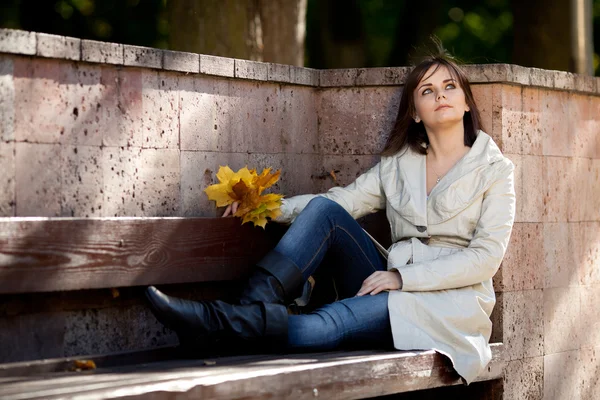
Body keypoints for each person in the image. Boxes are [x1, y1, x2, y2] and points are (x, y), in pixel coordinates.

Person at [145, 49, 516, 385]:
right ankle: (246, 311)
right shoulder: (398, 166)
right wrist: (267, 207)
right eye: (427, 90)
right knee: (326, 211)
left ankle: (212, 323)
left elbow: (485, 258)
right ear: (415, 113)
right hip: (385, 284)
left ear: (466, 102)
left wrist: (403, 278)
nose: (440, 96)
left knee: (322, 327)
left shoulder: (495, 170)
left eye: (449, 87)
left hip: (448, 305)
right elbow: (342, 200)